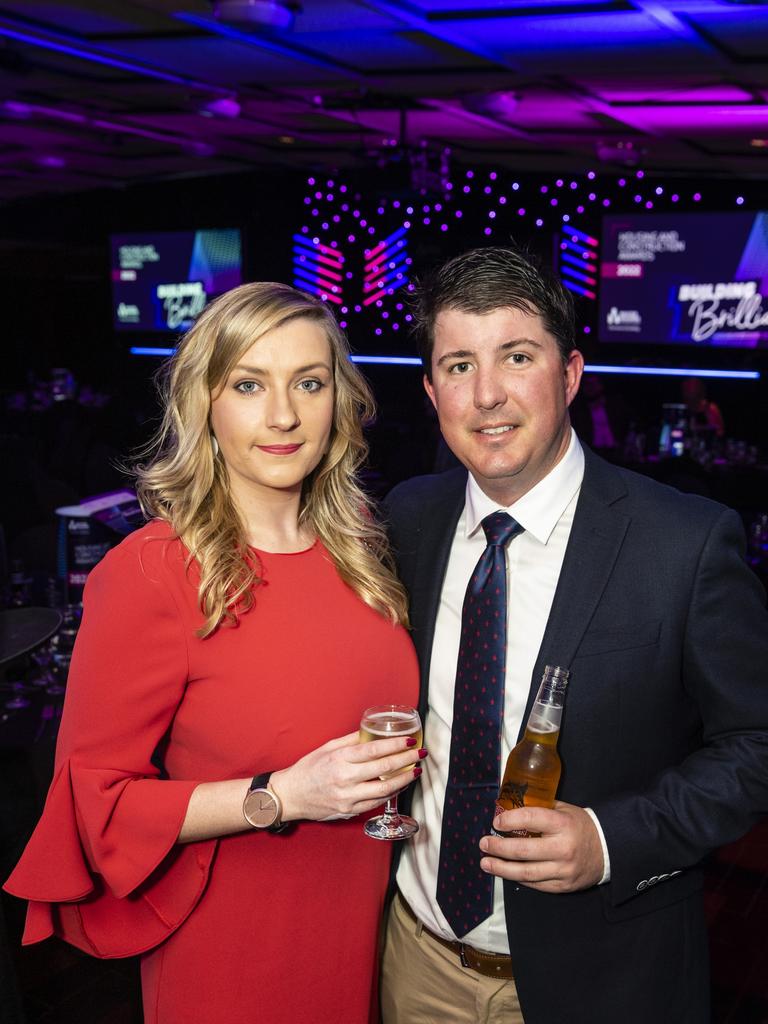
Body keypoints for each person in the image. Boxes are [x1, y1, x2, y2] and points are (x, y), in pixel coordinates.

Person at [4, 282, 422, 1024]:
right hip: (233, 947)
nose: (284, 415)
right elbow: (95, 807)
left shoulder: (362, 550)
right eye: (249, 384)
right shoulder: (151, 572)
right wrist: (283, 796)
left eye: (310, 383)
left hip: (364, 928)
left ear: (340, 401)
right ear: (205, 403)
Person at [379, 246, 768, 1024]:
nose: (486, 395)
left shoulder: (683, 543)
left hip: (605, 976)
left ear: (570, 373)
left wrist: (609, 838)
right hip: (415, 961)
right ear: (429, 391)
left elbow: (756, 743)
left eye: (516, 357)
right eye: (458, 366)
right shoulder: (407, 519)